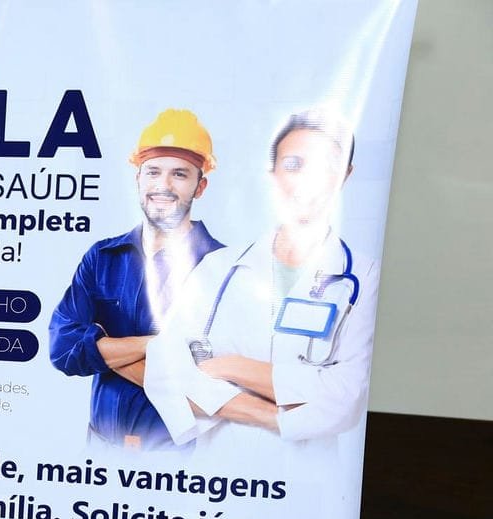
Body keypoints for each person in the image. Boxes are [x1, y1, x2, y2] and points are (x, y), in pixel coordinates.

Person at [144, 108, 379, 459]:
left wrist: (234, 367)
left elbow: (346, 398)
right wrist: (278, 414)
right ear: (273, 174)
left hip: (307, 475)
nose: (308, 181)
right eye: (294, 165)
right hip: (220, 474)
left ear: (346, 175)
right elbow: (165, 371)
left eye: (326, 165)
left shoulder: (363, 276)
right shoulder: (218, 267)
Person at [49, 108, 225, 449]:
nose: (163, 186)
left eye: (179, 174)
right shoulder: (102, 258)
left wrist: (101, 345)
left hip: (179, 456)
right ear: (138, 178)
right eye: (153, 172)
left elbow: (207, 386)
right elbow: (62, 349)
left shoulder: (222, 268)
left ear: (200, 186)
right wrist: (160, 346)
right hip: (99, 449)